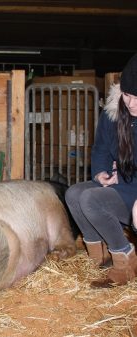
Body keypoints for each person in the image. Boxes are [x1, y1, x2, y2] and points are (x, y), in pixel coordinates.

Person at [65, 53, 137, 288]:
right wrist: (100, 173)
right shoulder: (113, 113)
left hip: (133, 187)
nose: (132, 104)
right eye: (127, 95)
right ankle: (100, 254)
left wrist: (127, 172)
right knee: (73, 194)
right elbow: (101, 149)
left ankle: (125, 257)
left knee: (91, 199)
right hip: (121, 181)